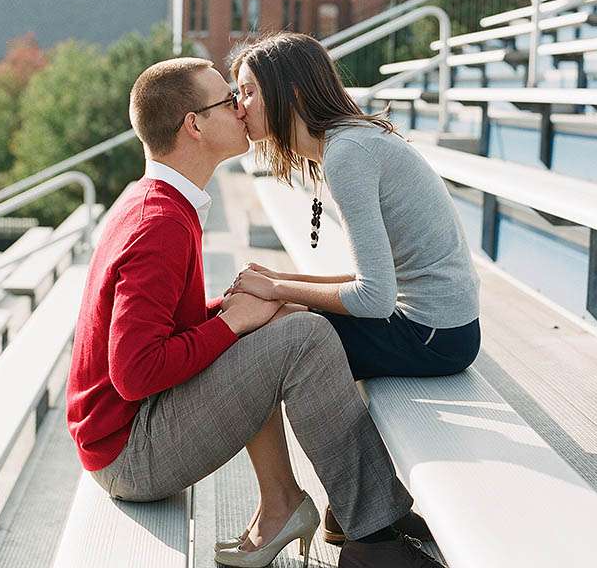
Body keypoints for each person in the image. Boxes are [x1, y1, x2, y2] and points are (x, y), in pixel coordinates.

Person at [66, 57, 443, 568]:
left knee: (280, 321)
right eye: (227, 100)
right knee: (303, 336)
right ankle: (374, 533)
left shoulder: (160, 202)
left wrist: (239, 309)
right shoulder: (160, 224)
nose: (241, 110)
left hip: (129, 435)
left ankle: (308, 507)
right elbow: (134, 374)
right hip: (129, 455)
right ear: (193, 125)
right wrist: (230, 321)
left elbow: (167, 333)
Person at [227, 31, 482, 551]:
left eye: (249, 90)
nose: (239, 105)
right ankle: (351, 506)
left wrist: (278, 288)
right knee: (280, 323)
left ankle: (312, 508)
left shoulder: (348, 155)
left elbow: (374, 299)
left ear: (291, 93)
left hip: (434, 334)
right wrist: (284, 290)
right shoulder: (343, 146)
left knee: (270, 342)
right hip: (432, 326)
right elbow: (369, 283)